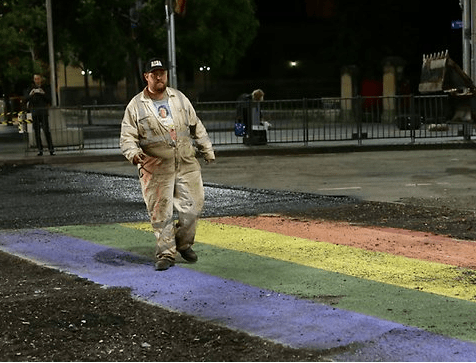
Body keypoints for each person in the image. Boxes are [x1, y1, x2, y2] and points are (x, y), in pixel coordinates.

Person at [120, 57, 215, 271]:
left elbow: (195, 125)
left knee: (193, 206)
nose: (159, 76)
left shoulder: (179, 98)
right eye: (154, 73)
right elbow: (127, 136)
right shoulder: (136, 105)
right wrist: (133, 153)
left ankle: (183, 244)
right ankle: (165, 253)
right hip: (155, 166)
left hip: (186, 162)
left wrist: (206, 149)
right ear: (146, 77)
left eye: (162, 72)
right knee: (161, 211)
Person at [25, 74, 55, 156]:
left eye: (38, 79)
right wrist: (31, 94)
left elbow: (49, 99)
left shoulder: (45, 88)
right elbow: (26, 98)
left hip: (43, 112)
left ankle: (51, 149)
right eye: (35, 79)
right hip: (35, 112)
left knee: (46, 130)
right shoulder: (31, 88)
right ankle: (40, 149)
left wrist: (43, 93)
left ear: (41, 79)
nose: (37, 80)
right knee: (37, 132)